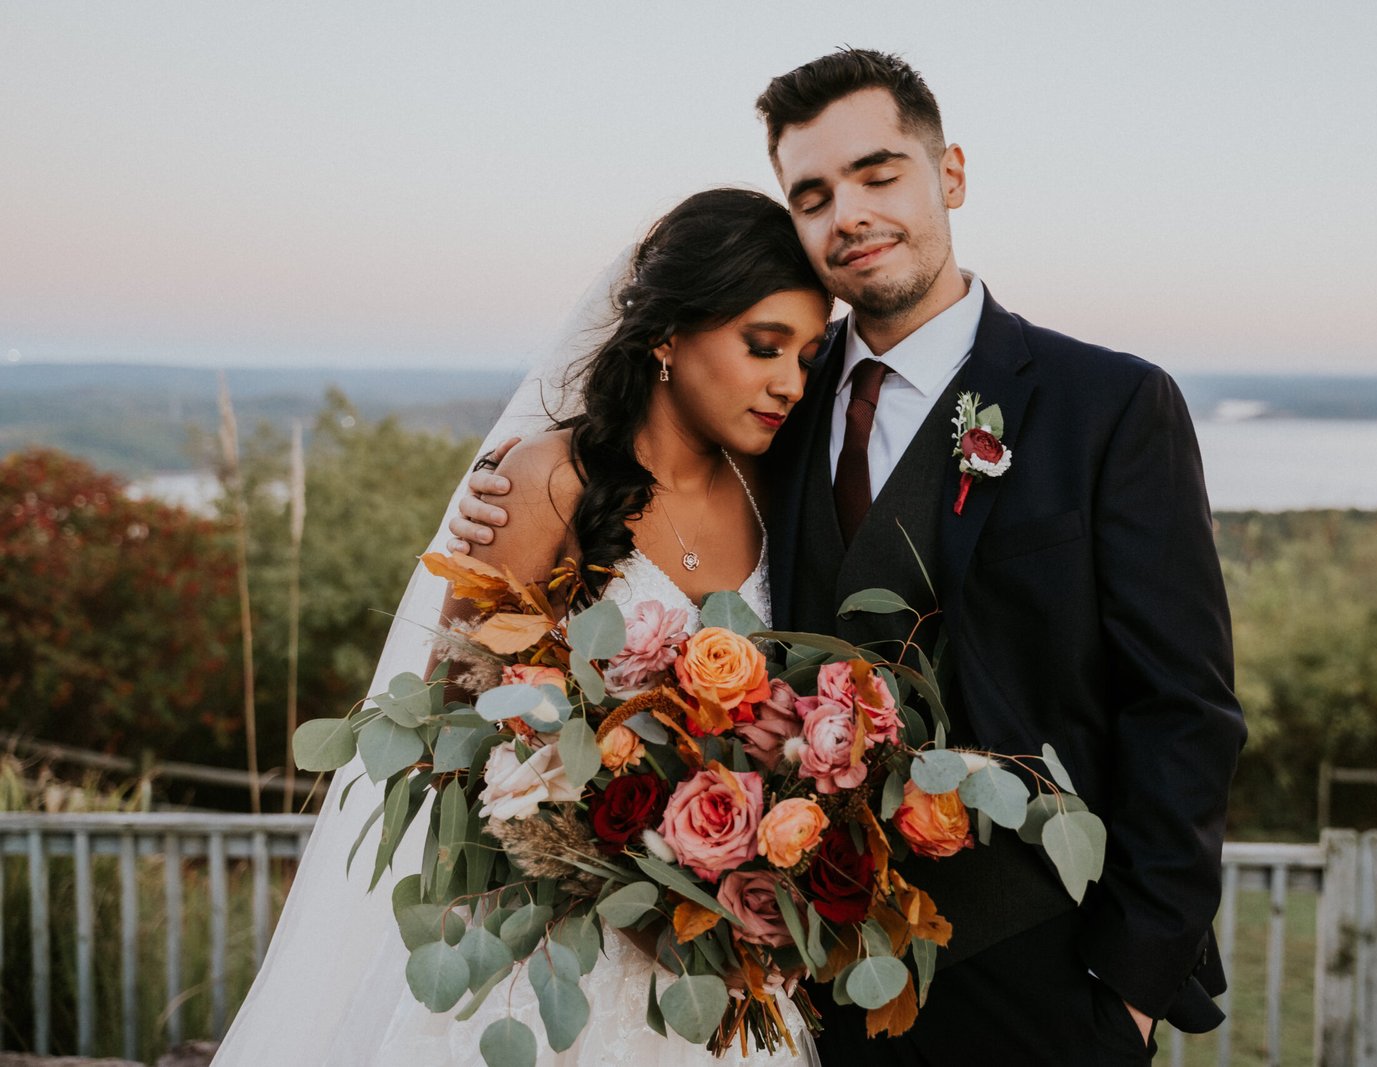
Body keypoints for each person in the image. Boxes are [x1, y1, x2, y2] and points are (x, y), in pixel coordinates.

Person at [454, 49, 1246, 1065]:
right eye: (814, 194)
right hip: (786, 969)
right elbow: (647, 470)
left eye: (880, 174)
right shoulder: (774, 396)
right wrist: (534, 480)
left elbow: (1184, 712)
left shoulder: (1108, 406)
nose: (849, 214)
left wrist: (1127, 993)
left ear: (949, 174)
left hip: (1039, 974)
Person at [213, 187, 830, 1066]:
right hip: (555, 963)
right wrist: (625, 881)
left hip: (725, 964)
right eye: (764, 347)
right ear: (668, 334)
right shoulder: (545, 482)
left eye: (807, 356)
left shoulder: (772, 491)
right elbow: (451, 741)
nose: (790, 383)